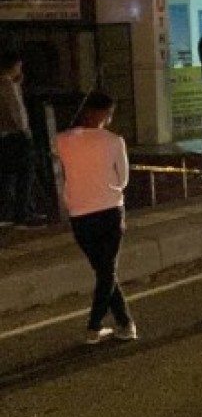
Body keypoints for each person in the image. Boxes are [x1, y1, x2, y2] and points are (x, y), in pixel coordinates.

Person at [55, 91, 136, 344]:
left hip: (80, 213)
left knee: (104, 270)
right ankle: (95, 326)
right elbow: (123, 180)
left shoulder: (62, 140)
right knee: (106, 271)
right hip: (110, 209)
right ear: (103, 114)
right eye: (109, 113)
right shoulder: (114, 141)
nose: (110, 118)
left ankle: (125, 324)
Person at [0, 51, 45, 228]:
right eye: (19, 66)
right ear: (14, 66)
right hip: (16, 137)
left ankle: (7, 212)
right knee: (25, 173)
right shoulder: (8, 85)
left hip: (4, 136)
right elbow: (17, 113)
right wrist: (25, 132)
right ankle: (23, 213)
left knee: (7, 174)